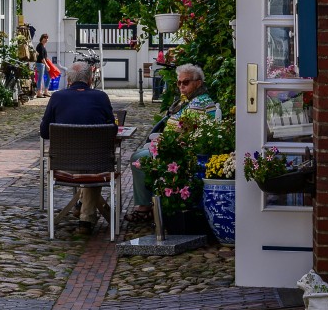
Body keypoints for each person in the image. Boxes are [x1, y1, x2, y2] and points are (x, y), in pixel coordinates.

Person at [128, 63, 222, 221]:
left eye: (186, 82)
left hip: (181, 152)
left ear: (198, 83)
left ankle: (145, 207)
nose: (181, 86)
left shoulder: (200, 103)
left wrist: (164, 141)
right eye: (179, 83)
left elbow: (190, 133)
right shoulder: (190, 100)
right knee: (139, 156)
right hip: (170, 146)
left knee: (138, 159)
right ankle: (147, 204)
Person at [39, 60, 116, 231]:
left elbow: (44, 132)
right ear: (90, 80)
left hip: (63, 166)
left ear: (68, 81)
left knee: (90, 163)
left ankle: (81, 207)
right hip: (97, 165)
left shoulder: (57, 97)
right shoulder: (101, 97)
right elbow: (113, 131)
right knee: (96, 162)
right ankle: (86, 217)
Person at [35, 33, 53, 97]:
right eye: (45, 38)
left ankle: (45, 91)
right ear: (42, 38)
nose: (46, 39)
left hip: (42, 63)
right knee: (40, 78)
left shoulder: (43, 46)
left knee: (49, 75)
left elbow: (44, 57)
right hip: (40, 64)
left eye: (47, 38)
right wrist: (47, 65)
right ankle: (39, 92)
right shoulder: (40, 46)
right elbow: (42, 57)